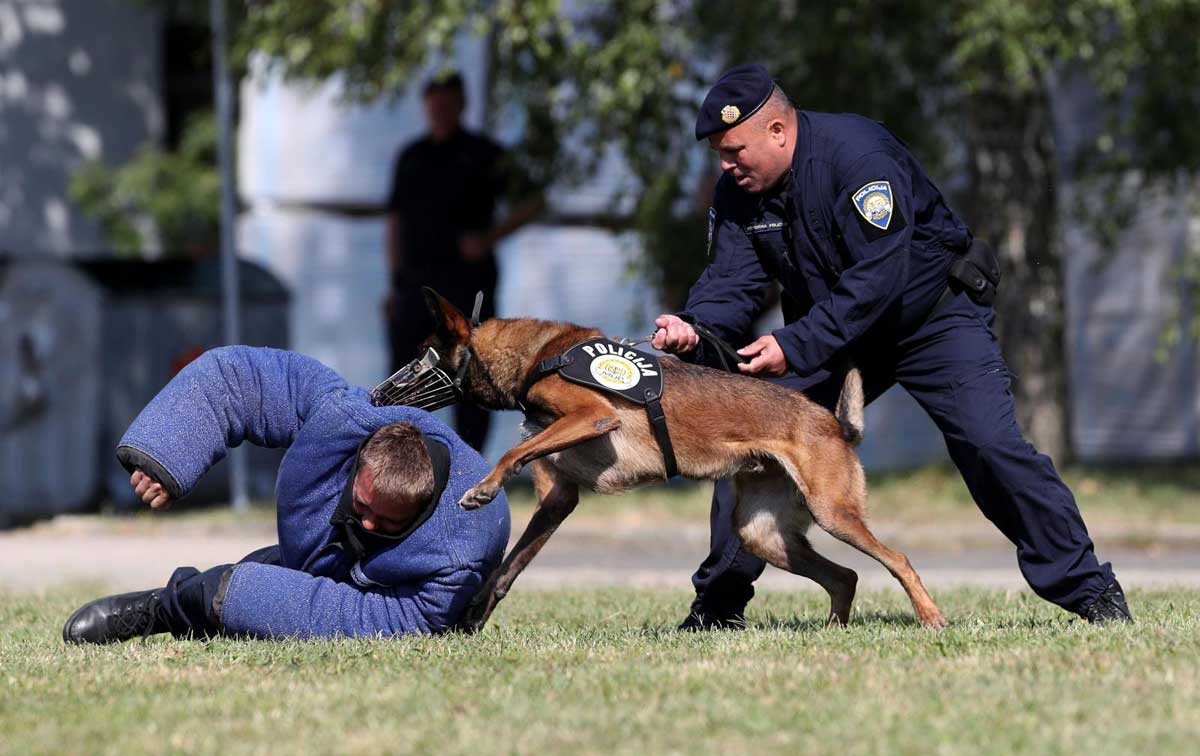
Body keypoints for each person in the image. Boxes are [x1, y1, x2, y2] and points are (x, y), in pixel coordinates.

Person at [652, 64, 1132, 629]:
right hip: (830, 334)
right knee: (754, 428)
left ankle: (1090, 592)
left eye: (734, 150)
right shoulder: (740, 190)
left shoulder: (858, 158)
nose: (726, 166)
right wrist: (693, 325)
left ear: (778, 130)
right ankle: (717, 607)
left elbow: (879, 277)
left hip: (930, 320)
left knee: (989, 443)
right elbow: (733, 280)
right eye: (719, 155)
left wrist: (795, 342)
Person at [62, 346, 511, 643]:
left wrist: (240, 597)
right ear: (359, 460)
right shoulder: (346, 418)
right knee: (253, 572)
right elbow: (241, 380)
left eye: (388, 522)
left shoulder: (458, 556)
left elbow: (384, 624)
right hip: (318, 554)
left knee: (224, 593)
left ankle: (171, 607)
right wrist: (164, 453)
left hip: (387, 594)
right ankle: (166, 605)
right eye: (363, 506)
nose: (368, 523)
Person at [384, 70, 544, 451]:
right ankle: (402, 456)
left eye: (447, 102)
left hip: (467, 284)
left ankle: (466, 459)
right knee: (406, 373)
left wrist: (489, 238)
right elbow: (394, 222)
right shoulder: (412, 157)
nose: (440, 110)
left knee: (472, 373)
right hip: (415, 286)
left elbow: (533, 200)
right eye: (434, 102)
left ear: (461, 105)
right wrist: (393, 283)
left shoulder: (484, 154)